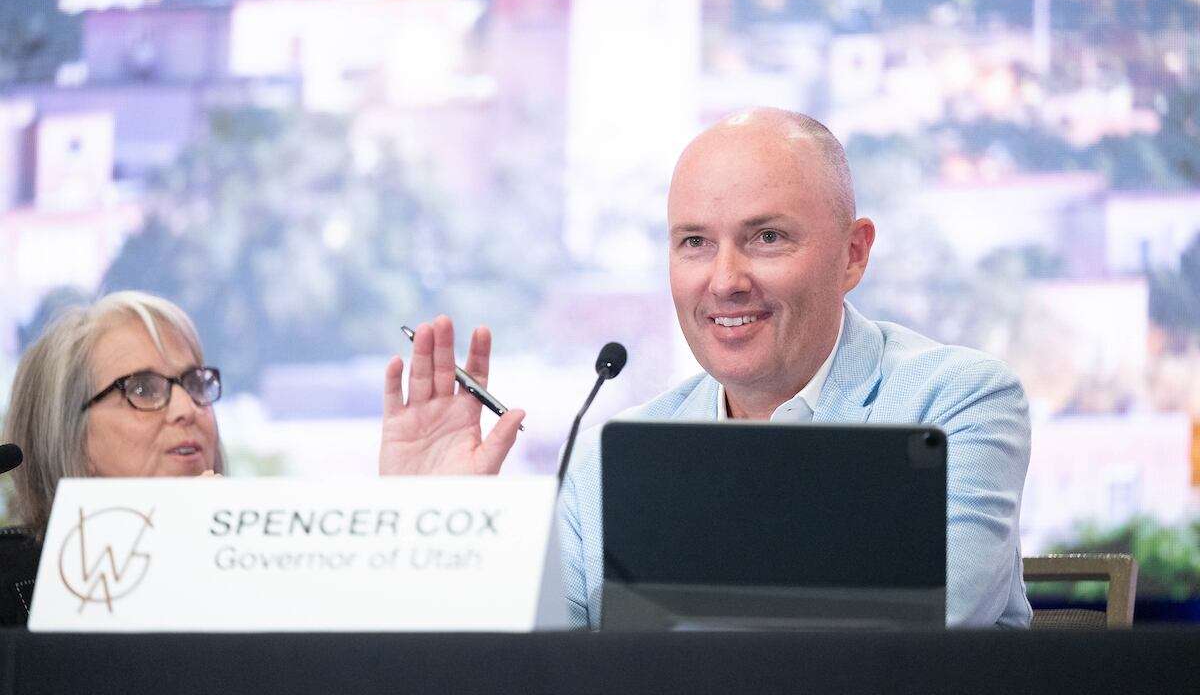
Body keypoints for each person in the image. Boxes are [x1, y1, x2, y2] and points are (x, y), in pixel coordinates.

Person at [382, 108, 1032, 629]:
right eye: (695, 242)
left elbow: (919, 646)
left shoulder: (958, 403)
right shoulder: (612, 455)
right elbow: (547, 672)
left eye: (767, 238)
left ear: (853, 255)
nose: (725, 281)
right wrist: (440, 531)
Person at [0, 291, 226, 626]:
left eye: (195, 384)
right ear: (68, 432)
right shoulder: (11, 588)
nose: (187, 409)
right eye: (142, 389)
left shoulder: (275, 570)